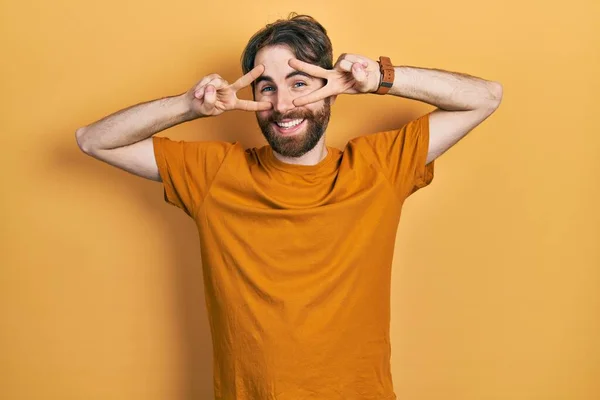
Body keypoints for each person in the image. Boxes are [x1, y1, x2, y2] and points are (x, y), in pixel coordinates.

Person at [76, 13, 502, 400]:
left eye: (299, 84)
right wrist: (189, 105)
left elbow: (485, 96)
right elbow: (92, 140)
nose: (283, 105)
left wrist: (377, 77)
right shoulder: (214, 174)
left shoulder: (380, 166)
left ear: (331, 90)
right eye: (268, 89)